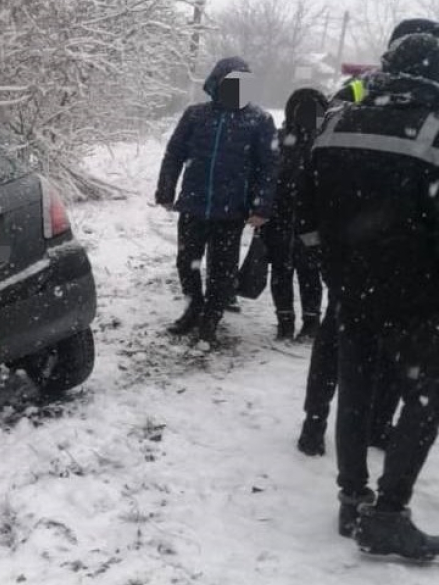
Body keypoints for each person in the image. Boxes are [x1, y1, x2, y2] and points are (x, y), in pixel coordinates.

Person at [302, 30, 439, 560]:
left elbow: (306, 207)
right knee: (425, 396)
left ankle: (352, 499)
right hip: (416, 297)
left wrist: (332, 266)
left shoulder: (337, 120)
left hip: (351, 287)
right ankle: (388, 514)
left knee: (355, 389)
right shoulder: (432, 126)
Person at [155, 57, 275, 345]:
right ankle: (193, 308)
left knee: (222, 271)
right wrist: (165, 191)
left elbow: (268, 168)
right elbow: (174, 155)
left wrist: (262, 207)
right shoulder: (195, 115)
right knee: (187, 263)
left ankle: (210, 319)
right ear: (216, 84)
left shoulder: (259, 120)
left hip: (231, 212)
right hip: (194, 206)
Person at [264, 89, 325, 341]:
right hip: (283, 217)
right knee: (284, 270)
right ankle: (286, 320)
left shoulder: (323, 143)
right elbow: (264, 174)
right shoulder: (280, 140)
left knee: (306, 271)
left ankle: (309, 322)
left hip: (309, 220)